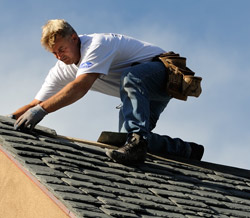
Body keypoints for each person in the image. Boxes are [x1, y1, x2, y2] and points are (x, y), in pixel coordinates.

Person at [12, 19, 204, 165]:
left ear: (74, 38)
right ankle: (186, 150)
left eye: (62, 49)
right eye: (54, 53)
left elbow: (80, 87)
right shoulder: (62, 69)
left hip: (162, 74)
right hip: (144, 93)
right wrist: (8, 121)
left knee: (131, 79)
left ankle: (137, 142)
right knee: (125, 138)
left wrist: (42, 111)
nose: (59, 57)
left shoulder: (96, 45)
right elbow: (34, 104)